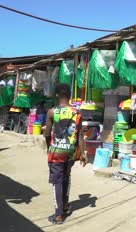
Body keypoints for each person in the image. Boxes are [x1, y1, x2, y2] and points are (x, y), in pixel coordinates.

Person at [44, 83, 86, 224]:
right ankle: (66, 207)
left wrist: (50, 146)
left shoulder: (52, 112)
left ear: (57, 95)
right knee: (66, 177)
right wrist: (83, 153)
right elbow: (80, 135)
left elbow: (47, 134)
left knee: (57, 182)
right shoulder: (77, 113)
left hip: (56, 152)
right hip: (70, 153)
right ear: (69, 96)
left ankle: (58, 215)